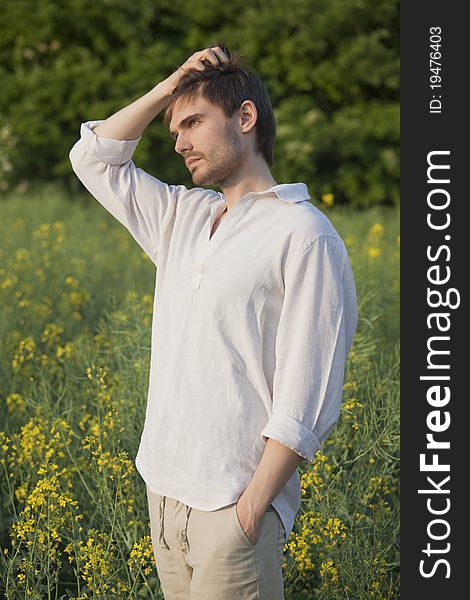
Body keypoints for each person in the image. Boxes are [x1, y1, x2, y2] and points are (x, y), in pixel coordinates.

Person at [69, 42, 358, 600]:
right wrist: (172, 83)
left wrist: (247, 514)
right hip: (163, 494)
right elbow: (93, 157)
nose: (178, 142)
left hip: (231, 508)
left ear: (245, 118)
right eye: (175, 128)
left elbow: (308, 394)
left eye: (194, 122)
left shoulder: (303, 234)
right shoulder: (181, 215)